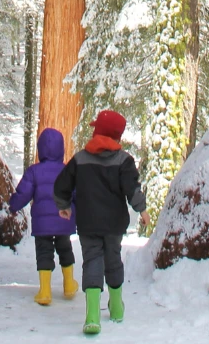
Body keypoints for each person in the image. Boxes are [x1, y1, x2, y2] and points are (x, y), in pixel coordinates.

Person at [53, 109, 150, 335]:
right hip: (115, 224)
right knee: (113, 259)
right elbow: (132, 189)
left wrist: (63, 206)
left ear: (98, 133)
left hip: (88, 223)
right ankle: (116, 307)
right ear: (118, 137)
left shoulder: (80, 159)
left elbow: (61, 185)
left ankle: (92, 315)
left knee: (92, 261)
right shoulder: (125, 161)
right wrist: (142, 210)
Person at [9, 127, 79, 305]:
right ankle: (69, 284)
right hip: (64, 221)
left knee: (44, 252)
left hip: (42, 224)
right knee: (65, 249)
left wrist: (13, 205)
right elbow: (78, 194)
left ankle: (45, 291)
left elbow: (23, 193)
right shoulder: (68, 170)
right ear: (61, 149)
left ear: (40, 149)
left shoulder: (34, 171)